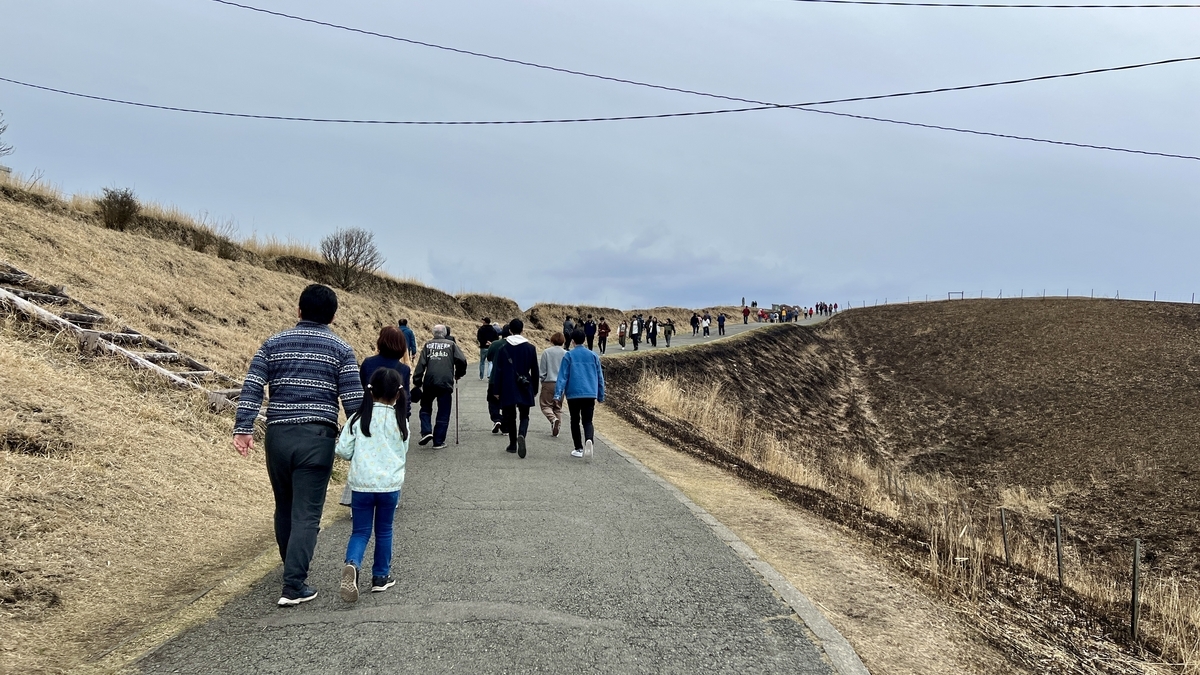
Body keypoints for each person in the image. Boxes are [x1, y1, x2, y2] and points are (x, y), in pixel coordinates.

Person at [234, 284, 363, 607]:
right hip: (317, 438)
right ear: (333, 316)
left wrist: (244, 428)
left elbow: (252, 385)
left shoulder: (273, 343)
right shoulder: (341, 349)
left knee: (285, 505)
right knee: (307, 512)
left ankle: (290, 564)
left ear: (299, 310)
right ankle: (294, 584)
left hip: (278, 436)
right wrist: (364, 440)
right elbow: (354, 402)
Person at [336, 367, 409, 603]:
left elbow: (343, 450)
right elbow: (403, 451)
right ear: (397, 393)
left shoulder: (358, 419)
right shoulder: (401, 421)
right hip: (389, 486)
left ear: (370, 391)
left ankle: (353, 564)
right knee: (384, 530)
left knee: (360, 531)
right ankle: (380, 576)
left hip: (361, 485)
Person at [412, 325, 467, 449]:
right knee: (443, 411)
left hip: (429, 382)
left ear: (433, 333)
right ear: (445, 333)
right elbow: (462, 360)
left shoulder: (428, 345)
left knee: (425, 407)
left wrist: (417, 381)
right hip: (445, 382)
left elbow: (421, 364)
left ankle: (426, 431)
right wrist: (459, 373)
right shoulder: (451, 345)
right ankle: (438, 441)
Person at [490, 318, 539, 458]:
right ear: (522, 330)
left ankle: (512, 445)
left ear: (510, 330)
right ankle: (522, 434)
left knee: (510, 416)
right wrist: (535, 389)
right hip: (525, 384)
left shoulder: (503, 349)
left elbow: (498, 371)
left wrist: (496, 390)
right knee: (525, 415)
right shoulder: (530, 348)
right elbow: (535, 371)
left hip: (507, 385)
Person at [554, 329, 605, 460]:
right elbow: (600, 377)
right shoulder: (593, 355)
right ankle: (589, 440)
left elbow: (562, 377)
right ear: (585, 340)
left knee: (575, 420)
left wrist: (558, 394)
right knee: (588, 421)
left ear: (572, 341)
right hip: (590, 393)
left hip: (573, 393)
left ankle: (578, 448)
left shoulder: (569, 356)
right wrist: (601, 395)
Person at [483, 325, 511, 434]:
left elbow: (489, 357)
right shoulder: (514, 345)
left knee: (492, 401)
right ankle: (506, 427)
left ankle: (497, 419)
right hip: (508, 379)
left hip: (495, 377)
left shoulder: (495, 344)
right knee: (507, 404)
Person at [538, 332, 567, 436]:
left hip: (549, 382)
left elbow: (542, 371)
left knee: (545, 405)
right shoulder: (566, 353)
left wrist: (543, 380)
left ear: (552, 340)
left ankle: (553, 419)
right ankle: (556, 429)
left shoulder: (546, 352)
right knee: (557, 408)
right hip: (561, 384)